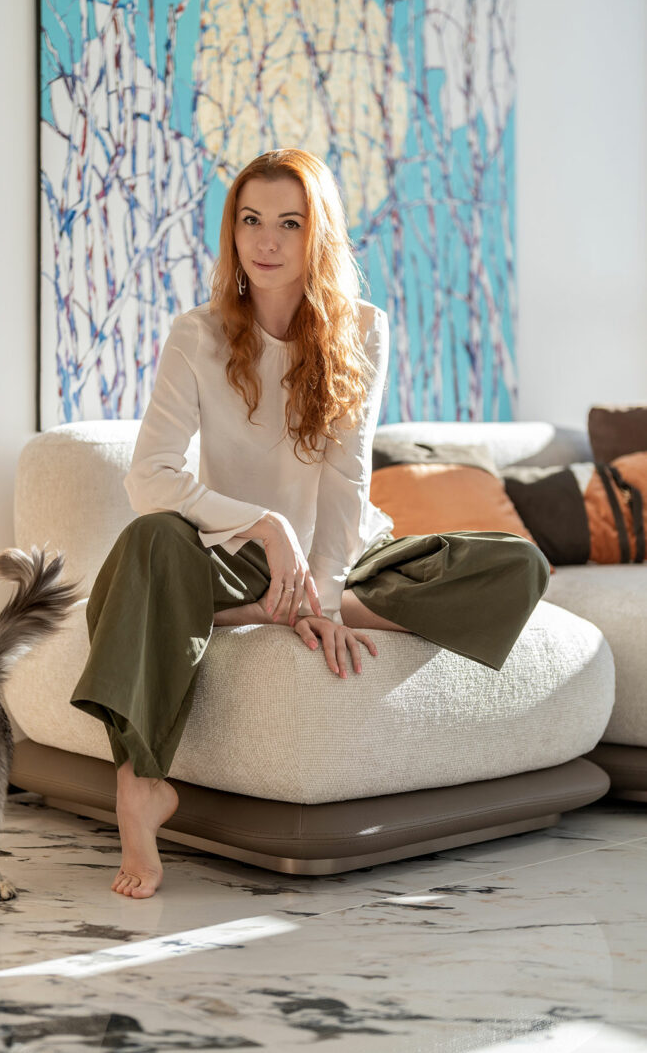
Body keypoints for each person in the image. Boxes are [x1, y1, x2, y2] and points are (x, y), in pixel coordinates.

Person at [70, 148, 550, 900]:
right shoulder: (195, 336)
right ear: (232, 233)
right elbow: (149, 477)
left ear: (316, 234)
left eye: (288, 223)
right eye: (251, 221)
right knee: (147, 543)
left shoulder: (363, 327)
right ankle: (141, 783)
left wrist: (320, 600)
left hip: (348, 554)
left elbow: (346, 477)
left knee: (519, 566)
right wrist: (262, 523)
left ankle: (270, 611)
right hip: (241, 552)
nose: (266, 241)